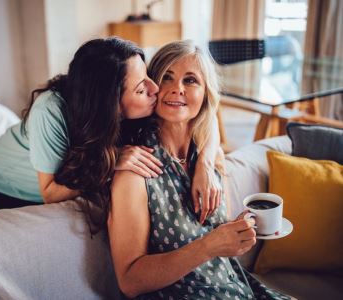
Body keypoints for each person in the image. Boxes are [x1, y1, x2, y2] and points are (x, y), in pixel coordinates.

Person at [108, 40, 290, 299]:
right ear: (152, 86)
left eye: (190, 80)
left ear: (206, 93)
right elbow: (129, 281)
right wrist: (208, 246)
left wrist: (236, 232)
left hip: (238, 289)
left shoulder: (210, 155)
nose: (177, 89)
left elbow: (216, 230)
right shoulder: (135, 172)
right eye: (167, 77)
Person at [0, 37, 221, 224]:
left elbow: (204, 115)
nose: (156, 87)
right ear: (111, 103)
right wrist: (112, 161)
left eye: (147, 74)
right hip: (5, 179)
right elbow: (50, 192)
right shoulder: (50, 112)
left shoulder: (142, 96)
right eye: (140, 88)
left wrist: (205, 164)